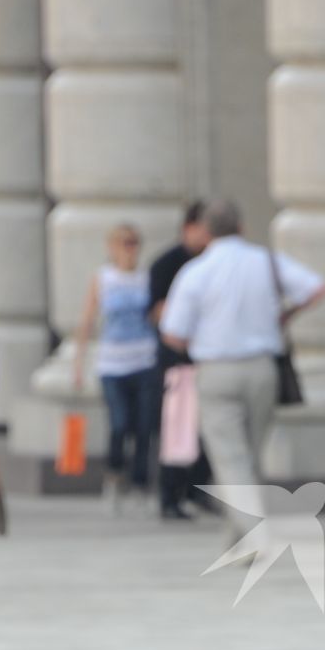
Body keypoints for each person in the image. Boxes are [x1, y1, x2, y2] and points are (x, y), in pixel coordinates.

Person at [159, 199, 325, 544]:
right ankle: (236, 535)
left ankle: (251, 533)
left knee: (230, 456)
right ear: (242, 227)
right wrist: (285, 316)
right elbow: (316, 288)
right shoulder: (264, 262)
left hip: (216, 368)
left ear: (205, 232)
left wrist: (201, 342)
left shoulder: (196, 271)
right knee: (249, 454)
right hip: (262, 367)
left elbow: (173, 333)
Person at [72, 222, 159, 512]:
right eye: (124, 243)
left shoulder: (146, 277)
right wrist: (78, 364)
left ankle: (140, 483)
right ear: (112, 247)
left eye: (134, 242)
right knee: (120, 423)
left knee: (144, 426)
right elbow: (87, 319)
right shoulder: (103, 277)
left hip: (144, 358)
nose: (129, 249)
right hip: (112, 362)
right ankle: (114, 475)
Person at [149, 201, 211, 520]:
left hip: (207, 359)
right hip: (178, 360)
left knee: (206, 430)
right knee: (176, 431)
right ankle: (169, 497)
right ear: (189, 227)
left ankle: (199, 491)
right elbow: (158, 312)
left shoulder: (210, 262)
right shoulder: (168, 263)